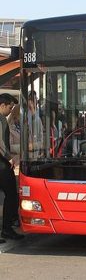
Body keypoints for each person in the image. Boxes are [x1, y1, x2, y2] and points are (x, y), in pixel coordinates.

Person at [0, 93, 24, 241]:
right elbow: (0, 143)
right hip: (1, 164)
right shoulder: (0, 119)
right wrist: (8, 158)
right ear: (2, 105)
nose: (10, 110)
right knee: (11, 195)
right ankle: (7, 229)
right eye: (10, 107)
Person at [7, 104, 21, 172]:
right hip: (15, 164)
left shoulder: (26, 127)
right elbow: (9, 146)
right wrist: (23, 147)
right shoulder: (9, 128)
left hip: (26, 162)